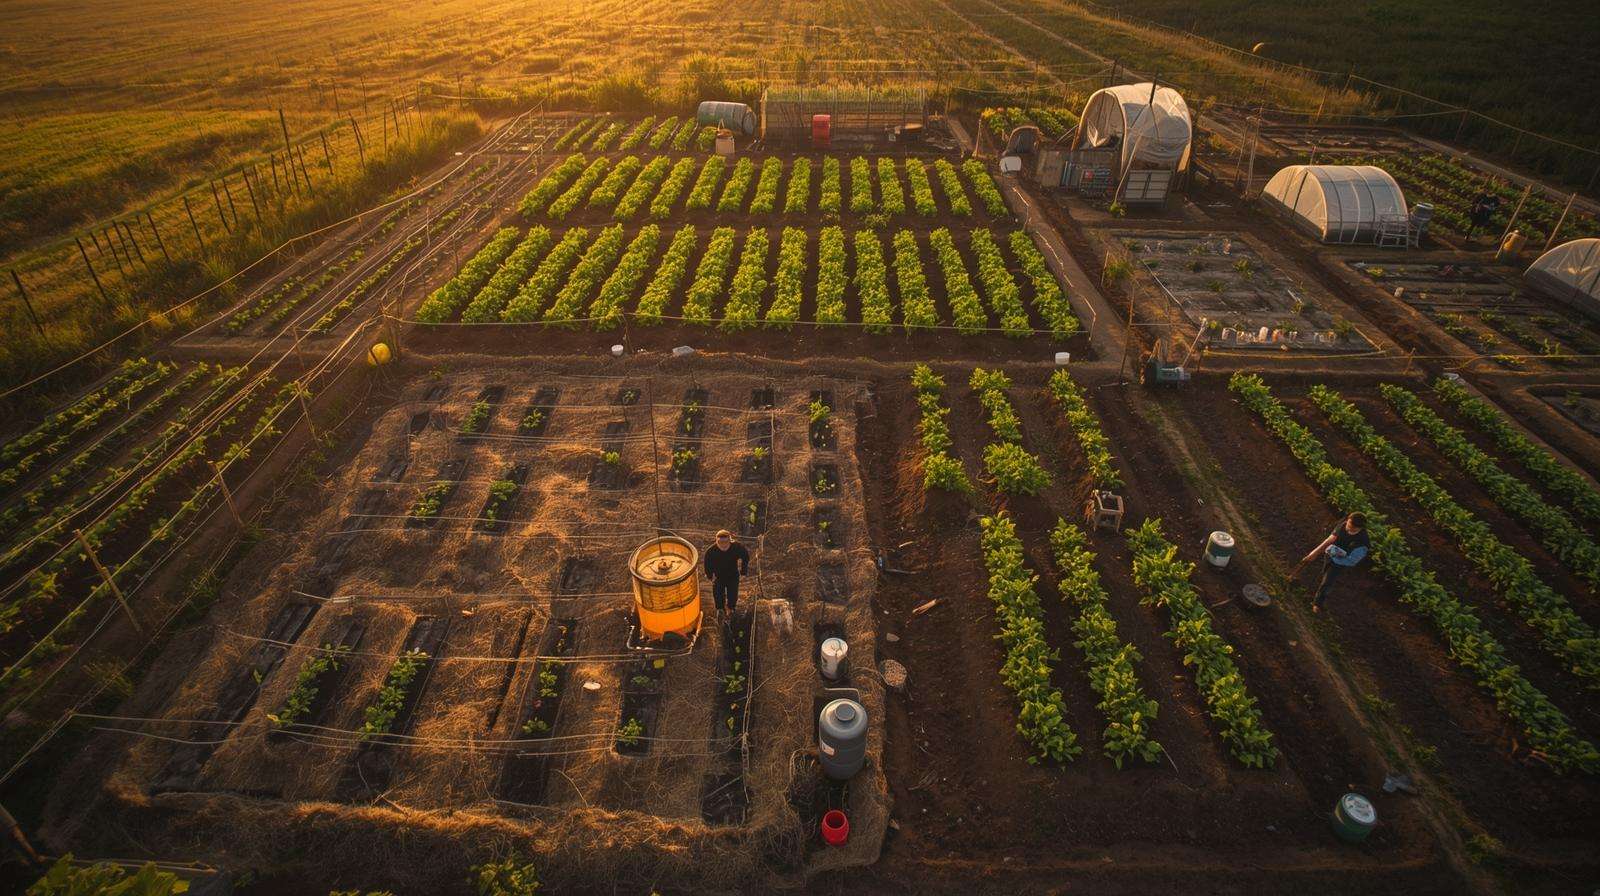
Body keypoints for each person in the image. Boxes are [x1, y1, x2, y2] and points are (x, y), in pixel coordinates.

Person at [1302, 512, 1370, 613]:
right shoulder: (1343, 524)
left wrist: (1336, 556)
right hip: (1330, 553)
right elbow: (1330, 539)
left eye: (1352, 529)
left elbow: (1352, 561)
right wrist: (1314, 553)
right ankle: (1315, 593)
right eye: (1348, 525)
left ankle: (1317, 604)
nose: (1348, 529)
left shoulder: (1363, 542)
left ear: (1360, 528)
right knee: (1325, 574)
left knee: (1328, 581)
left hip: (1342, 562)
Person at [704, 529, 750, 620]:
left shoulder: (736, 547)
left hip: (733, 575)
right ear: (717, 541)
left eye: (725, 542)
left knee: (732, 594)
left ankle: (731, 609)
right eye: (720, 542)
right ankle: (720, 611)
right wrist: (709, 576)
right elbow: (707, 564)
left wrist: (743, 571)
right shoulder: (711, 551)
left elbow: (745, 556)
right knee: (718, 594)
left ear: (730, 540)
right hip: (718, 576)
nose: (723, 545)